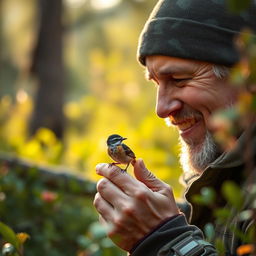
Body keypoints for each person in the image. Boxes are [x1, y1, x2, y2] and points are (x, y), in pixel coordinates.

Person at [93, 0, 256, 255]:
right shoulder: (216, 180)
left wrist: (164, 240)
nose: (161, 109)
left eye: (179, 80)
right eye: (156, 83)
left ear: (248, 77)